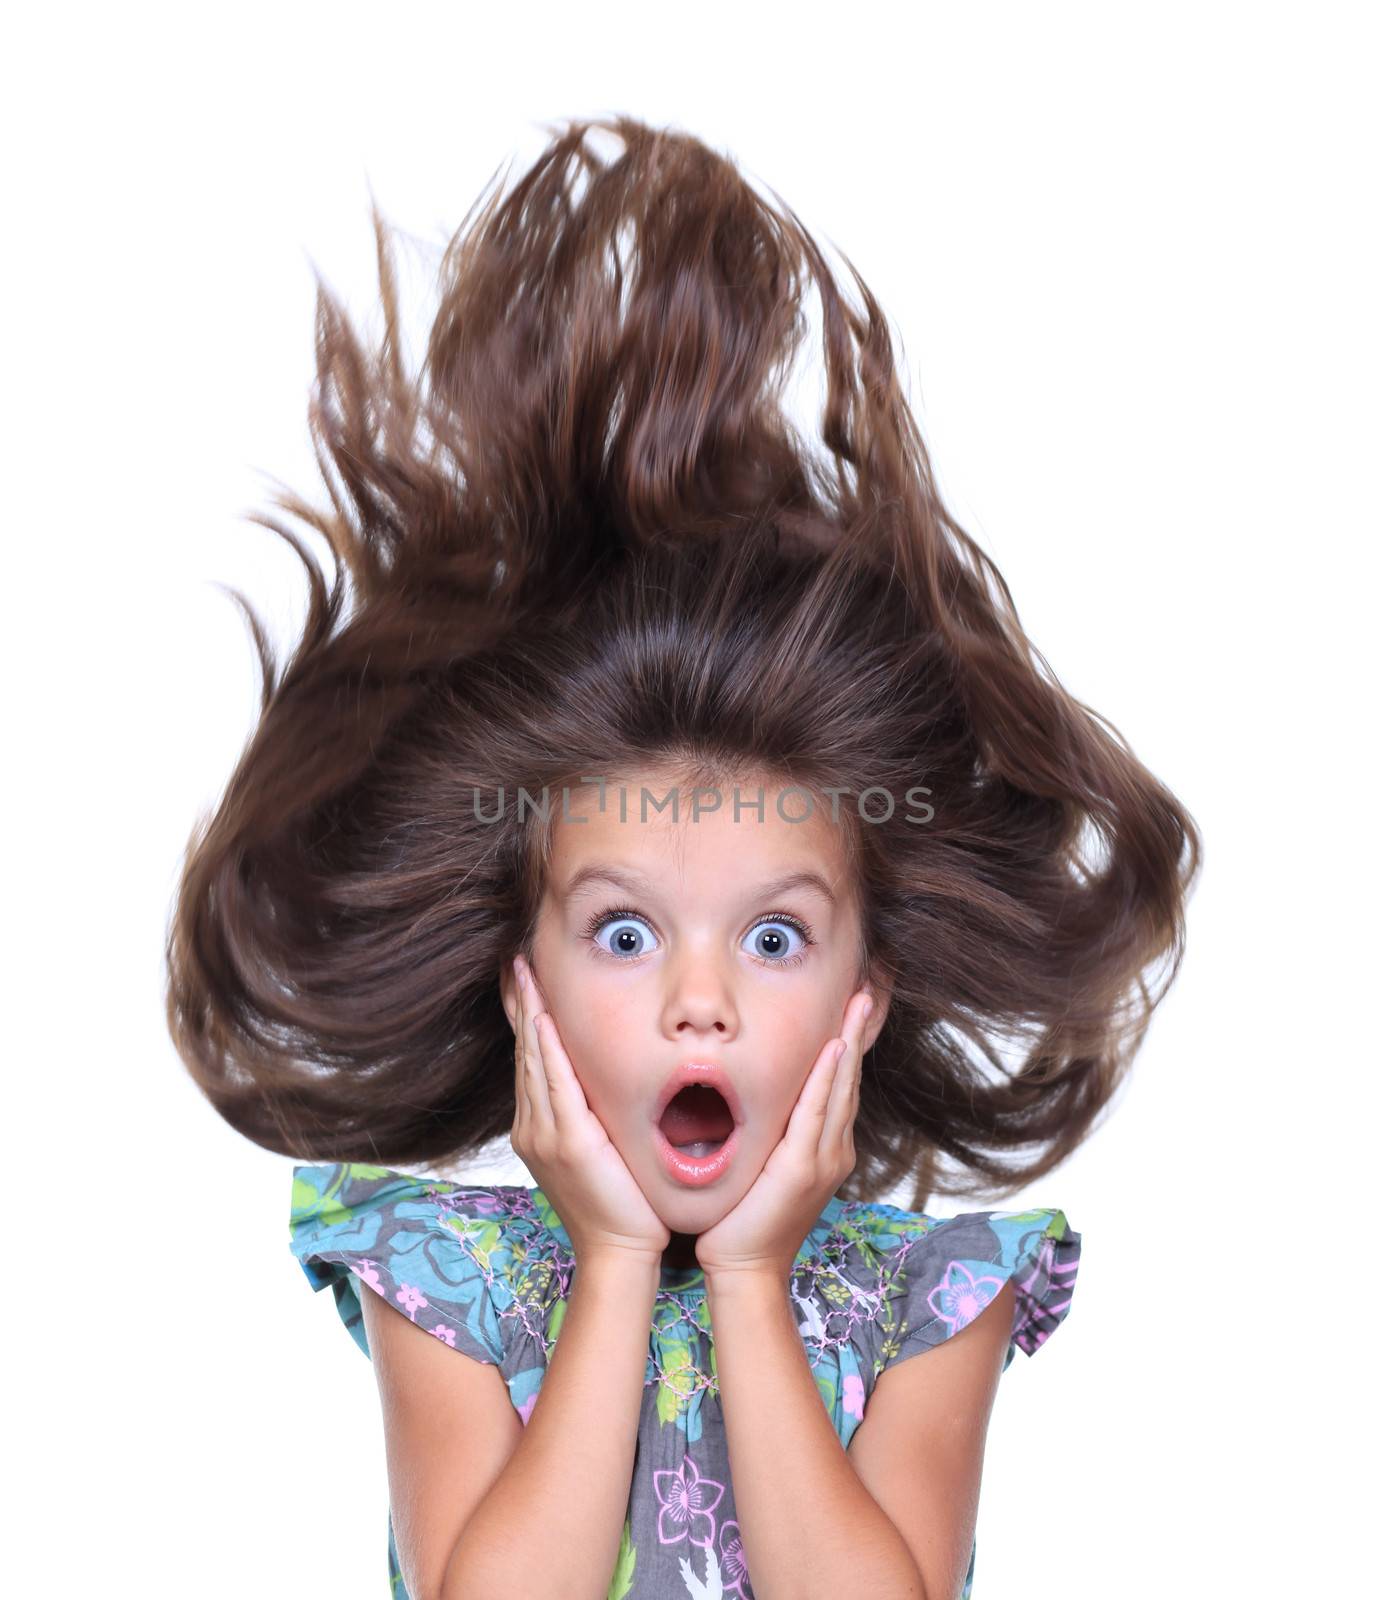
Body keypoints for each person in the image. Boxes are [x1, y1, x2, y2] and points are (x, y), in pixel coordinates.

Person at [165, 113, 1200, 1600]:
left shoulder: (929, 1303)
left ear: (872, 992)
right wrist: (601, 1269)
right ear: (518, 978)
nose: (696, 1004)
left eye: (772, 939)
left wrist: (755, 1282)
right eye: (625, 934)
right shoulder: (440, 1284)